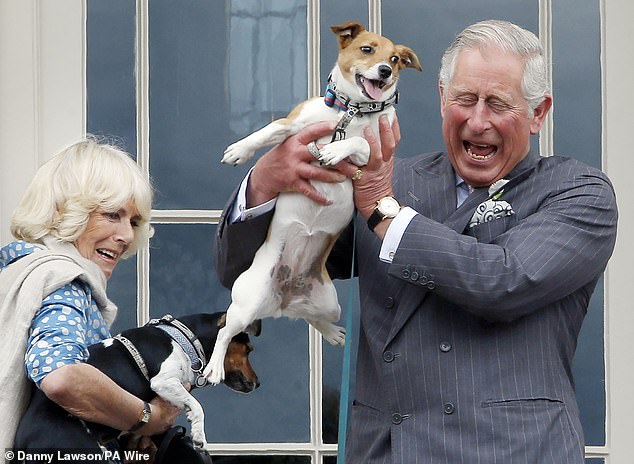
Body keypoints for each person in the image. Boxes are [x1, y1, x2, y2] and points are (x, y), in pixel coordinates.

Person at [213, 19, 618, 463]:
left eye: (498, 104)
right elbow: (252, 270)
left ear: (538, 113)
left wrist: (382, 211)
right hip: (387, 451)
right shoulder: (391, 177)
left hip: (514, 451)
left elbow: (503, 281)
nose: (478, 120)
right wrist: (266, 183)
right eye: (464, 99)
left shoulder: (579, 193)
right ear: (443, 99)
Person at [0, 138, 181, 459]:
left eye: (134, 222)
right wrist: (146, 419)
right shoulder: (63, 282)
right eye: (112, 215)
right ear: (62, 211)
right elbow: (60, 375)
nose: (127, 236)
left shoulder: (15, 273)